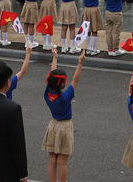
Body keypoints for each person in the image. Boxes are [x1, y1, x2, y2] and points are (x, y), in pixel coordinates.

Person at [42, 45, 85, 182]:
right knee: (62, 162)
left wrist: (55, 57)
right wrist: (80, 63)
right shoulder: (65, 98)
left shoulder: (47, 93)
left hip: (53, 125)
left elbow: (52, 75)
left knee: (52, 160)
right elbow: (75, 80)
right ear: (61, 84)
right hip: (65, 127)